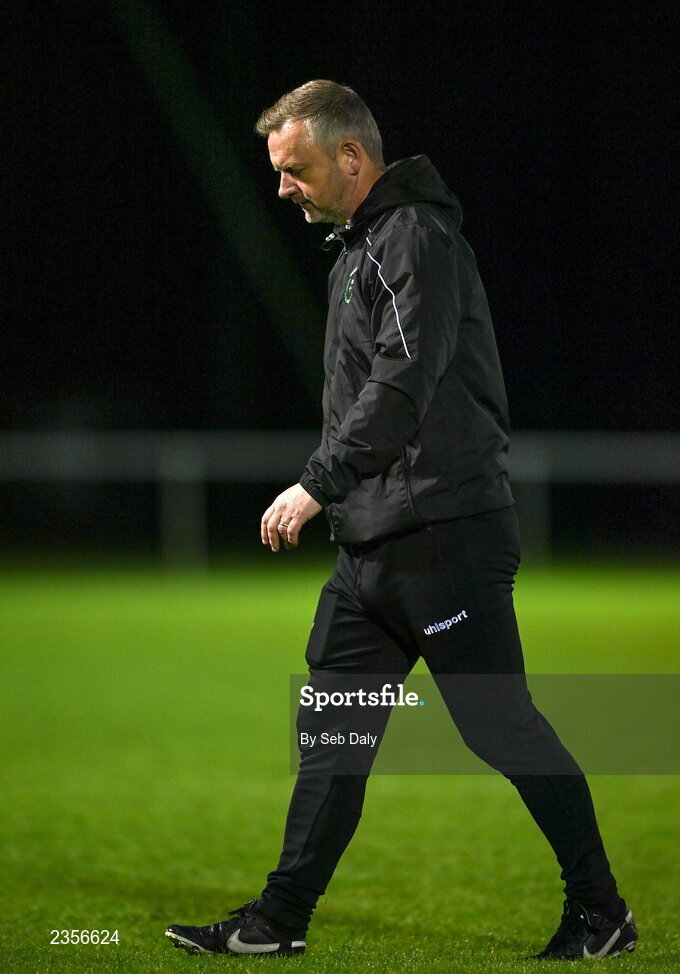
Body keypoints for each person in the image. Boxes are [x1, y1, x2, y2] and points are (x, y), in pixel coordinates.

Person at [165, 80, 637, 961]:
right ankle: (279, 921)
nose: (283, 190)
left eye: (295, 169)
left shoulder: (413, 237)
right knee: (332, 738)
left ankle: (600, 910)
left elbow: (402, 386)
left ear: (351, 156)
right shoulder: (360, 249)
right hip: (373, 549)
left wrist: (316, 483)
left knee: (500, 725)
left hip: (442, 538)